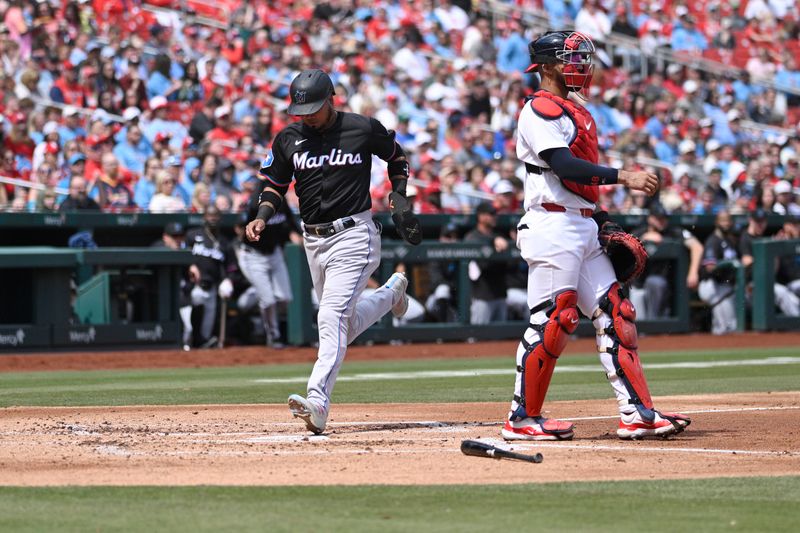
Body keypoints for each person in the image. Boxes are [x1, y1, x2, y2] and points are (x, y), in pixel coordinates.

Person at [503, 30, 690, 442]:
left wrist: (601, 221)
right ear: (547, 66)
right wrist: (625, 177)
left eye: (582, 59)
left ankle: (637, 413)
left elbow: (580, 185)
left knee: (616, 313)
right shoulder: (539, 109)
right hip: (552, 226)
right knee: (554, 320)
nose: (582, 66)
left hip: (580, 223)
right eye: (571, 59)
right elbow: (565, 168)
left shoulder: (574, 109)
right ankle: (522, 419)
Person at [245, 69, 413, 434]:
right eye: (301, 110)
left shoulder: (362, 128)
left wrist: (398, 195)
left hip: (354, 234)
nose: (307, 116)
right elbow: (274, 184)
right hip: (313, 240)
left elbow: (398, 158)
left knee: (330, 316)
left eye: (314, 109)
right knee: (342, 323)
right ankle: (390, 294)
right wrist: (262, 216)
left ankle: (318, 399)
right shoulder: (289, 138)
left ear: (332, 99)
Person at [238, 177, 302, 347]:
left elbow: (289, 220)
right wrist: (262, 182)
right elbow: (251, 209)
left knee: (285, 298)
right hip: (254, 255)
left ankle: (262, 323)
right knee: (268, 300)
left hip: (274, 253)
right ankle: (273, 335)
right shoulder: (254, 203)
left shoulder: (281, 201)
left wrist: (295, 233)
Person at [630, 204, 703, 319]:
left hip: (663, 284)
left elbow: (697, 247)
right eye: (658, 218)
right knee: (637, 321)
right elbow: (624, 251)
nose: (662, 221)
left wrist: (693, 272)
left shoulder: (674, 232)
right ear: (650, 219)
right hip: (638, 285)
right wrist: (644, 239)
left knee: (655, 282)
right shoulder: (639, 232)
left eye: (664, 218)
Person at [186, 206, 236, 348]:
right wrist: (190, 265)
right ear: (204, 217)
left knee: (206, 332)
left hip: (213, 287)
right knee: (191, 325)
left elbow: (231, 266)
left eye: (215, 216)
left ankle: (203, 349)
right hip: (194, 286)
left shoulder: (224, 242)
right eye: (209, 215)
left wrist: (228, 280)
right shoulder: (193, 235)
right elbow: (182, 254)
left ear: (220, 218)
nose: (212, 218)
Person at [738, 208, 800, 317]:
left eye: (762, 221)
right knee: (783, 293)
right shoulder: (745, 238)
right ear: (751, 220)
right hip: (750, 285)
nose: (760, 225)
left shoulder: (762, 238)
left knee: (793, 300)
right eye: (757, 221)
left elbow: (772, 271)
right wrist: (771, 251)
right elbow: (747, 263)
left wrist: (774, 250)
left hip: (768, 283)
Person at [464, 201, 509, 324]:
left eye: (495, 214)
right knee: (479, 338)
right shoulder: (472, 237)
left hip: (500, 294)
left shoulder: (499, 235)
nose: (495, 217)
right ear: (481, 216)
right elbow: (483, 264)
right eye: (491, 214)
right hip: (482, 296)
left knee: (501, 338)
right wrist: (493, 240)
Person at [698, 210, 740, 335]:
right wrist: (728, 264)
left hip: (726, 286)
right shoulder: (713, 241)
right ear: (717, 222)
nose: (726, 223)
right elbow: (710, 267)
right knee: (725, 327)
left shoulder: (730, 240)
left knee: (731, 325)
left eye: (728, 220)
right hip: (711, 284)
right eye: (723, 220)